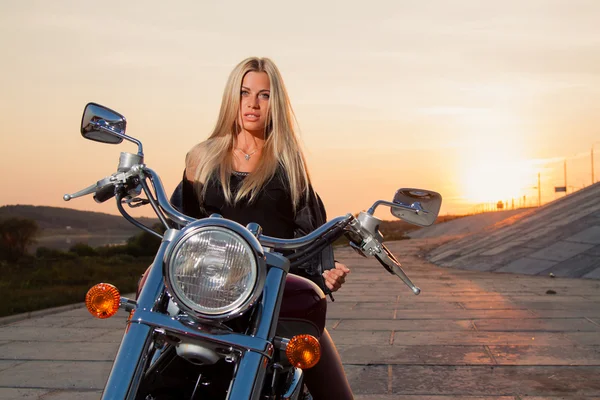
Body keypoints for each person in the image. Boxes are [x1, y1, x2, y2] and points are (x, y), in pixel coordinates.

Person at [177, 57, 353, 399]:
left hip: (269, 289)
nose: (252, 104)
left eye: (264, 95)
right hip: (209, 289)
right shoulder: (202, 156)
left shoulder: (288, 160)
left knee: (333, 386)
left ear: (276, 103)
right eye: (244, 93)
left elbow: (307, 229)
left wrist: (324, 271)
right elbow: (184, 222)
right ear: (232, 96)